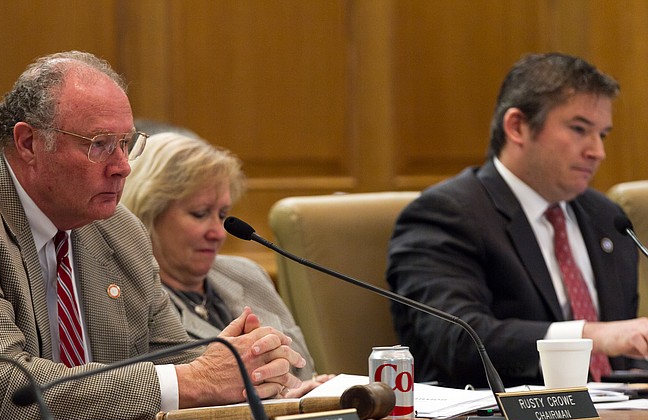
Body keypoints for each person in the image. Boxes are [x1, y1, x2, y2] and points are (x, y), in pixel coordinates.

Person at [0, 51, 305, 420]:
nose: (122, 167)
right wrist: (198, 379)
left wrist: (247, 365)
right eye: (99, 145)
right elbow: (8, 392)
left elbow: (171, 356)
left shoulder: (116, 228)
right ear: (28, 143)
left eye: (125, 143)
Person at [386, 52, 648, 389]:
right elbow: (457, 339)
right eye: (580, 129)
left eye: (603, 135)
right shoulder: (447, 214)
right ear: (517, 127)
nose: (597, 151)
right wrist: (589, 336)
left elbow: (623, 355)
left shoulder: (605, 217)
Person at [121, 132, 332, 396]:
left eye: (222, 214)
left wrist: (315, 391)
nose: (218, 233)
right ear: (148, 213)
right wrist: (283, 401)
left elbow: (303, 370)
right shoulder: (130, 295)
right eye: (200, 214)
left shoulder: (246, 274)